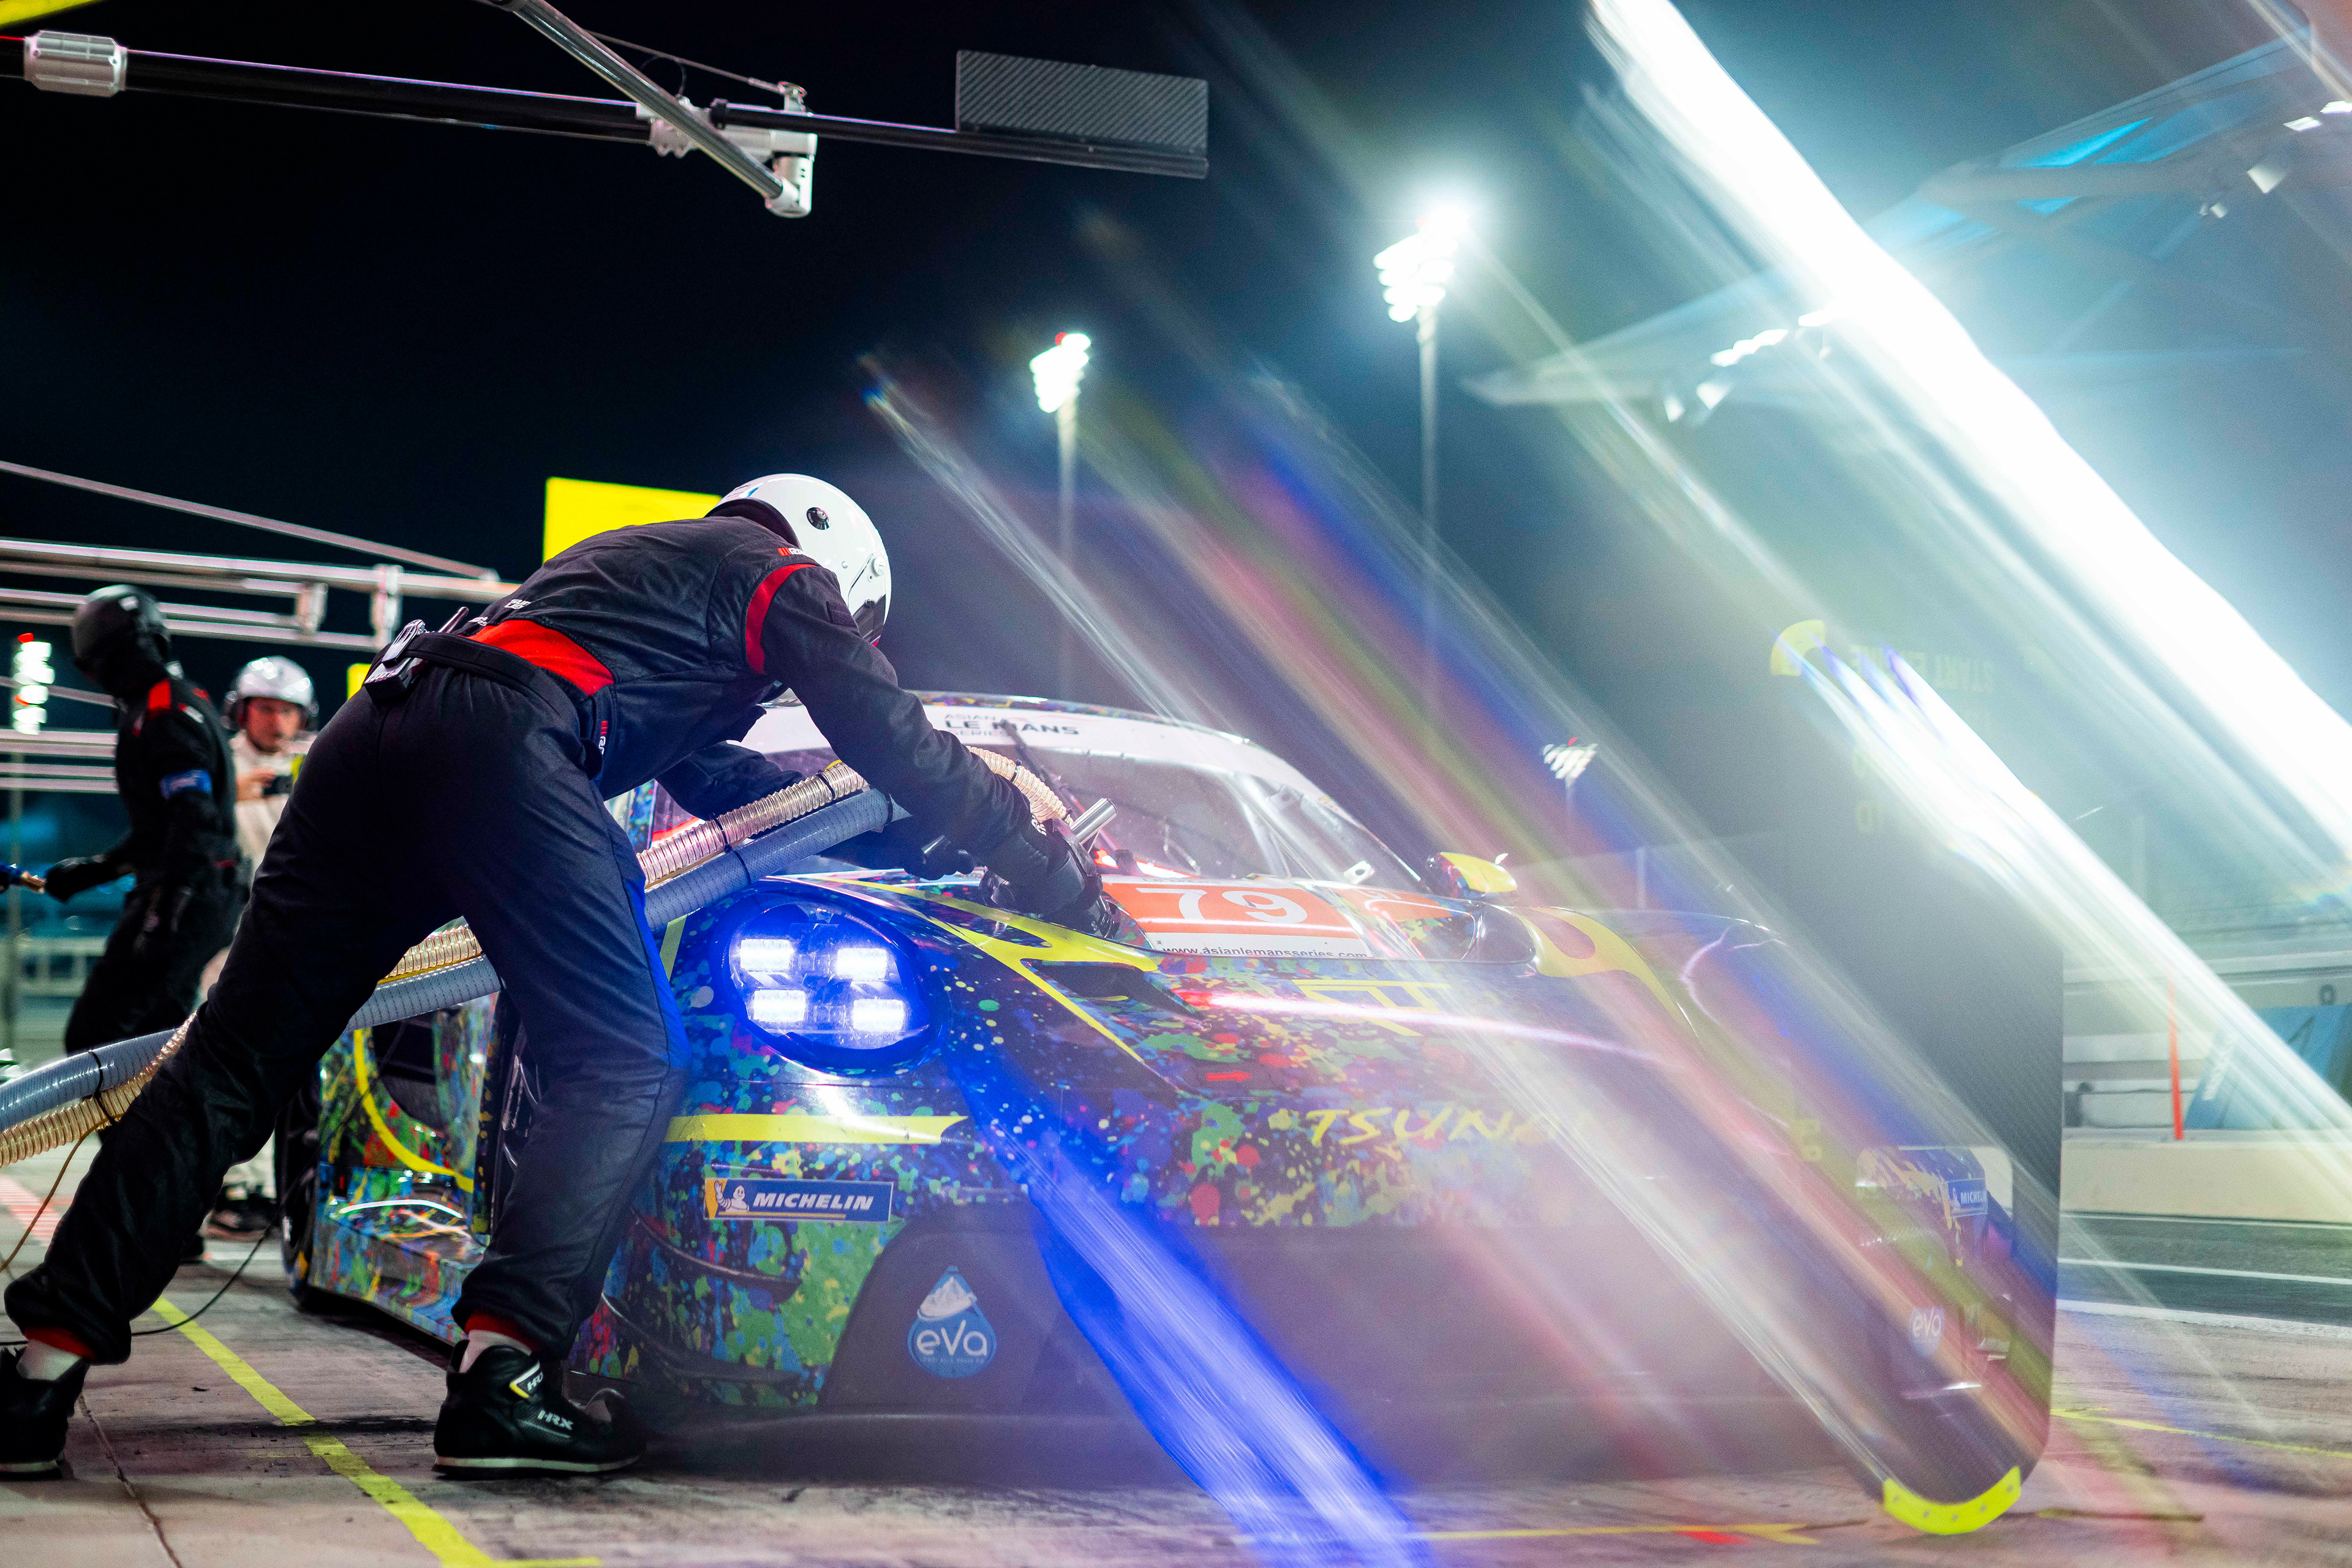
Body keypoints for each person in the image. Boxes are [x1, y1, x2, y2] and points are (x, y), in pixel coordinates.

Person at [0, 477, 1112, 1479]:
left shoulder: (628, 579)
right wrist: (1052, 871)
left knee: (230, 1064)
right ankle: (503, 1380)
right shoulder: (781, 578)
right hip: (499, 738)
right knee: (628, 1057)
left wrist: (914, 844)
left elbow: (732, 782)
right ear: (844, 582)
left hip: (375, 734)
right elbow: (896, 742)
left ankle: (35, 1382)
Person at [203, 656, 318, 1239]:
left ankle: (277, 1188)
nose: (277, 721)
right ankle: (231, 1185)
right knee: (230, 1059)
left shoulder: (318, 763)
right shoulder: (219, 763)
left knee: (288, 1066)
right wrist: (232, 791)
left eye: (287, 710)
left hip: (298, 938)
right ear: (241, 711)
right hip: (228, 938)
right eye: (266, 708)